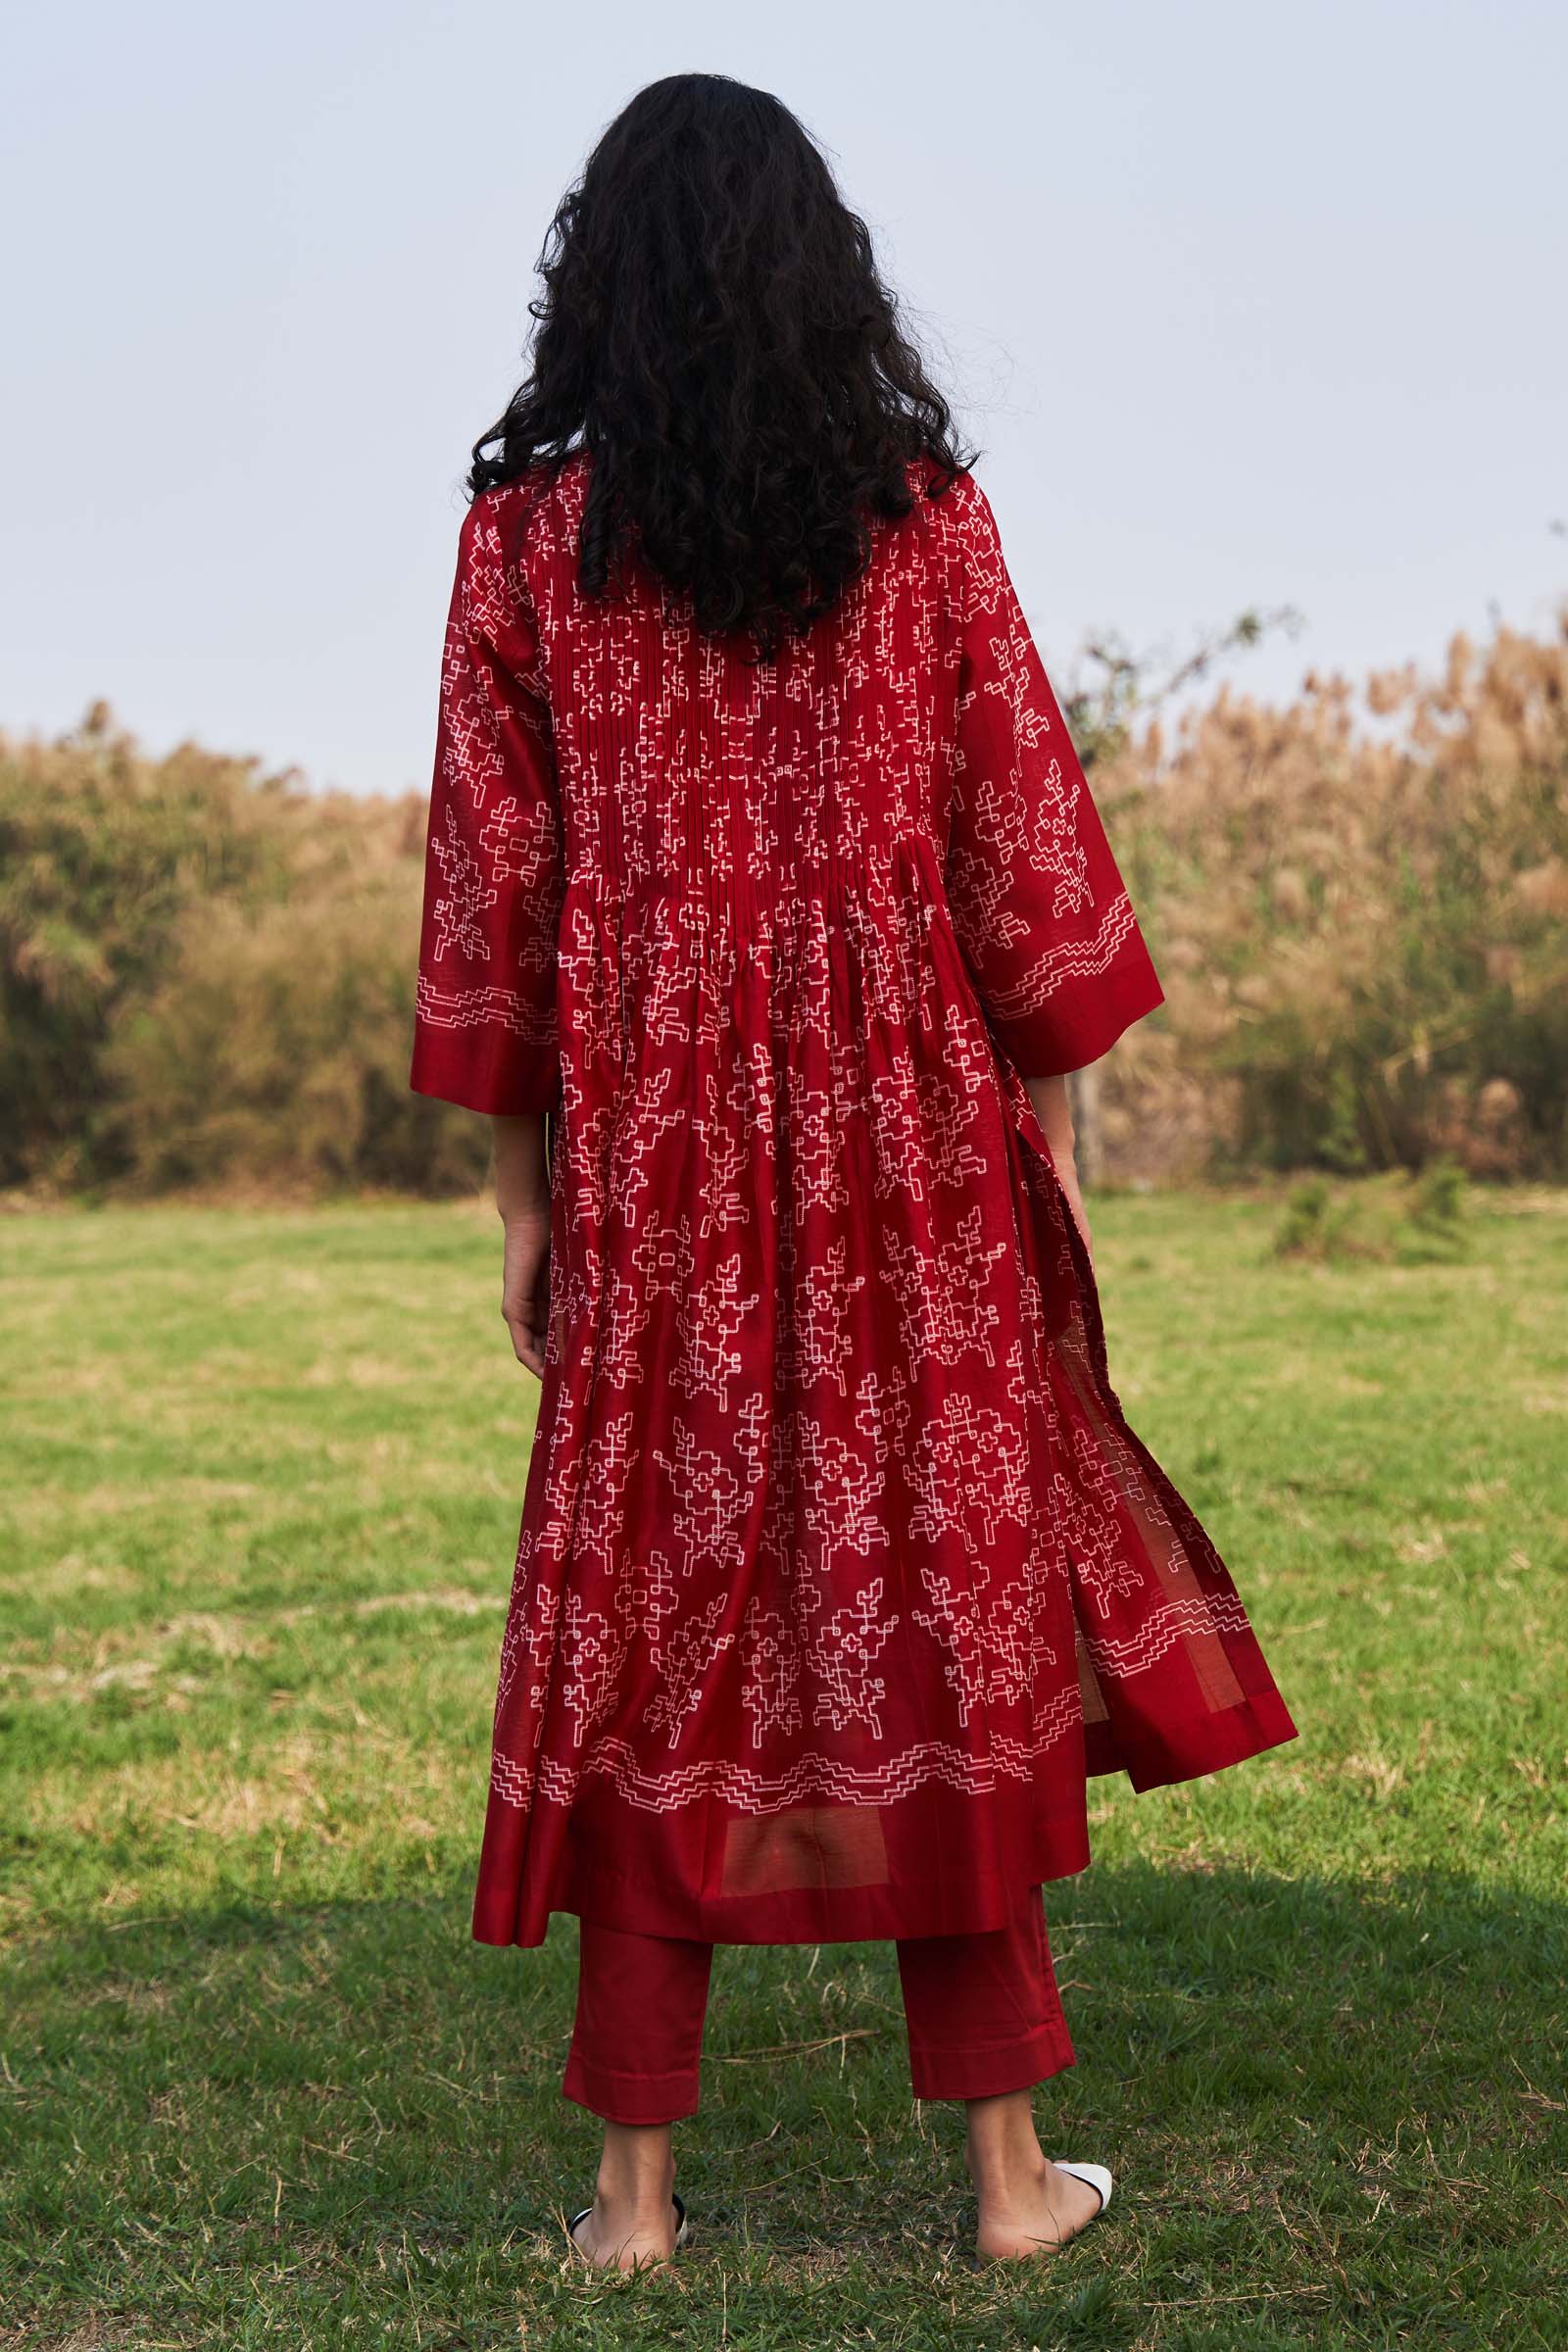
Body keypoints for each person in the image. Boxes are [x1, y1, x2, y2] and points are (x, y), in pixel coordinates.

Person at [408, 72, 1297, 2272]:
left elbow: (497, 901)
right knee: (942, 1610)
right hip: (912, 1137)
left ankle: (630, 2204)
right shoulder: (920, 520)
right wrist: (1045, 1162)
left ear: (597, 282)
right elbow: (1020, 843)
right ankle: (1006, 2183)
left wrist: (525, 1204)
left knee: (654, 1615)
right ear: (823, 271)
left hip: (652, 1152)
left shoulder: (524, 549)